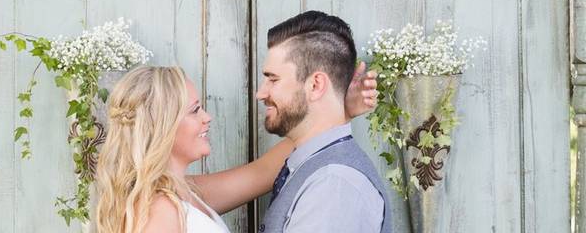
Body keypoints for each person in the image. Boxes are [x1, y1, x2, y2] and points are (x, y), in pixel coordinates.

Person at [92, 60, 377, 233]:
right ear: (162, 125)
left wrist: (337, 109)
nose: (207, 117)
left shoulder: (183, 192)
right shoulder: (158, 208)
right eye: (195, 110)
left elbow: (263, 172)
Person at [256, 11, 390, 233]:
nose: (260, 93)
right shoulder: (313, 167)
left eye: (273, 79)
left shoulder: (334, 184)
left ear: (316, 85)